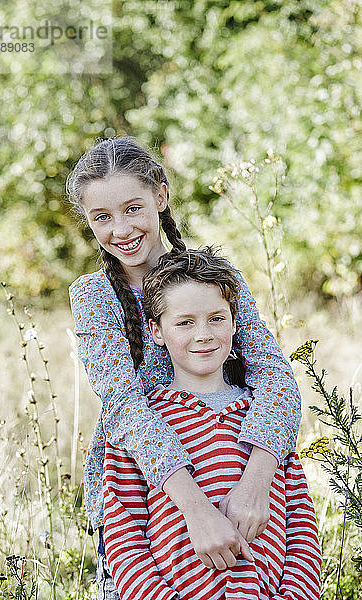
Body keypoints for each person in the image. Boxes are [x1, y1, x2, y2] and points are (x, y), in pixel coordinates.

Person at [67, 137, 302, 596]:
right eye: (102, 217)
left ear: (160, 195)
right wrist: (194, 509)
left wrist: (256, 483)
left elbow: (276, 378)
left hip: (236, 473)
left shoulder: (216, 277)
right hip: (149, 493)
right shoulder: (94, 296)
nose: (121, 229)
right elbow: (125, 407)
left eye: (133, 208)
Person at [102, 247, 321, 600]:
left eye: (216, 318)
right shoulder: (142, 426)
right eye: (185, 322)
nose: (203, 334)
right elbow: (124, 536)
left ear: (236, 323)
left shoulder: (267, 419)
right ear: (156, 331)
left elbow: (301, 530)